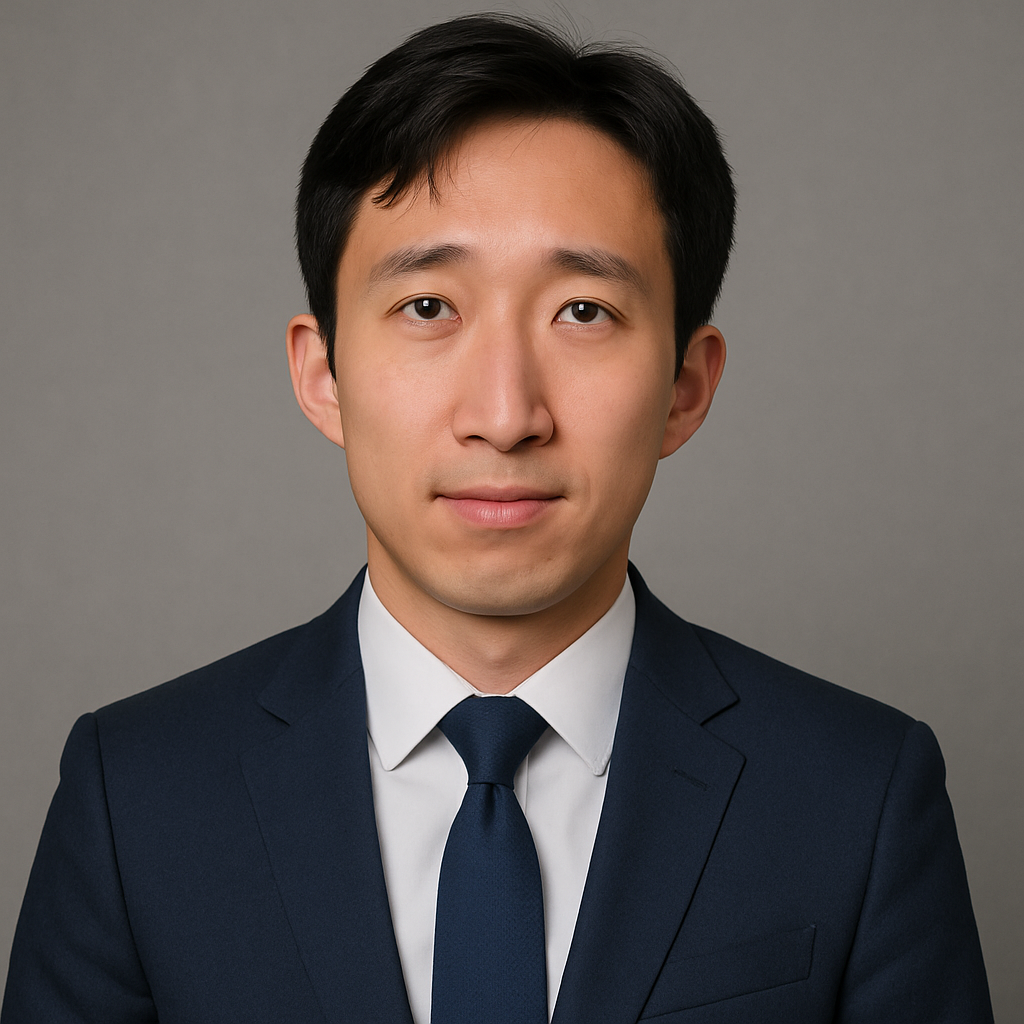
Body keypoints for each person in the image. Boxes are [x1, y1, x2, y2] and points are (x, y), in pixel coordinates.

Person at [1, 13, 992, 1024]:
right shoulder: (137, 796)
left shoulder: (857, 795)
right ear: (322, 372)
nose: (505, 415)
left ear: (685, 388)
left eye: (583, 312)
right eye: (429, 306)